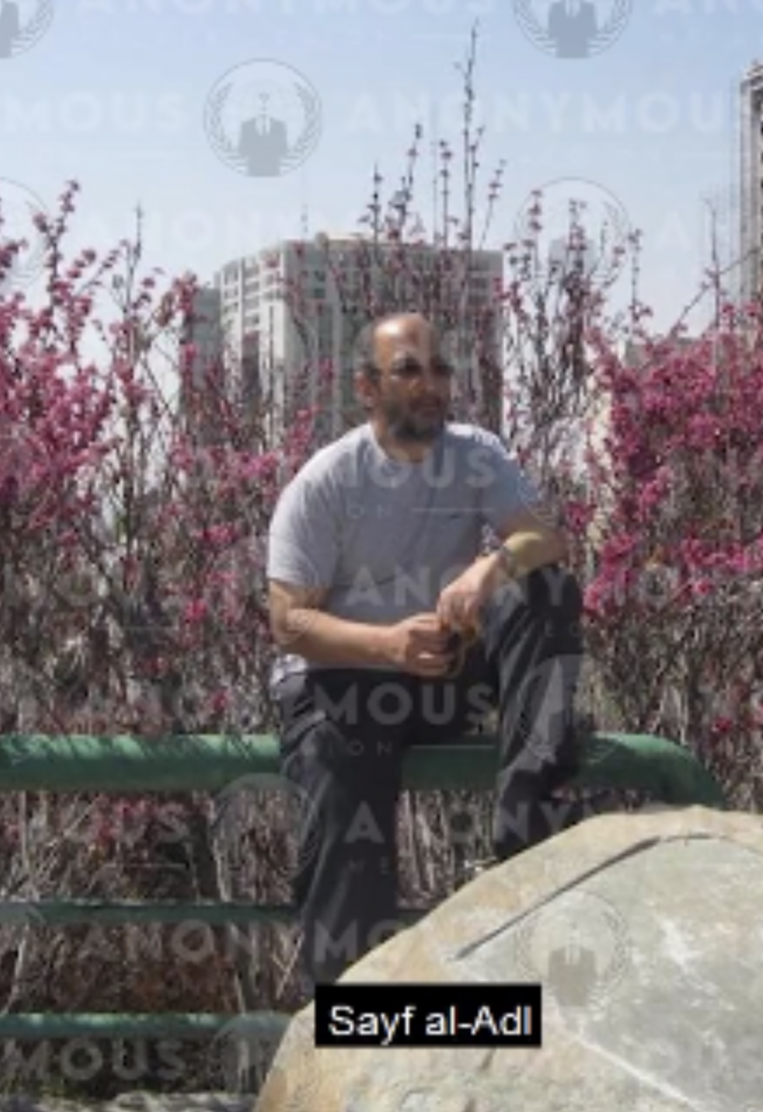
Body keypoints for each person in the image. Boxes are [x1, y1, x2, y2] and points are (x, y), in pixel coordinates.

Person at [264, 311, 592, 993]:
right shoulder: (327, 482)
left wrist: (487, 568)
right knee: (339, 776)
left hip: (439, 671)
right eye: (409, 370)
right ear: (367, 388)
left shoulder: (477, 453)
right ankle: (353, 1012)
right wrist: (386, 645)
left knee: (544, 590)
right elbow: (288, 622)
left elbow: (544, 541)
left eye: (440, 369)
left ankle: (526, 828)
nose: (431, 385)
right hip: (343, 680)